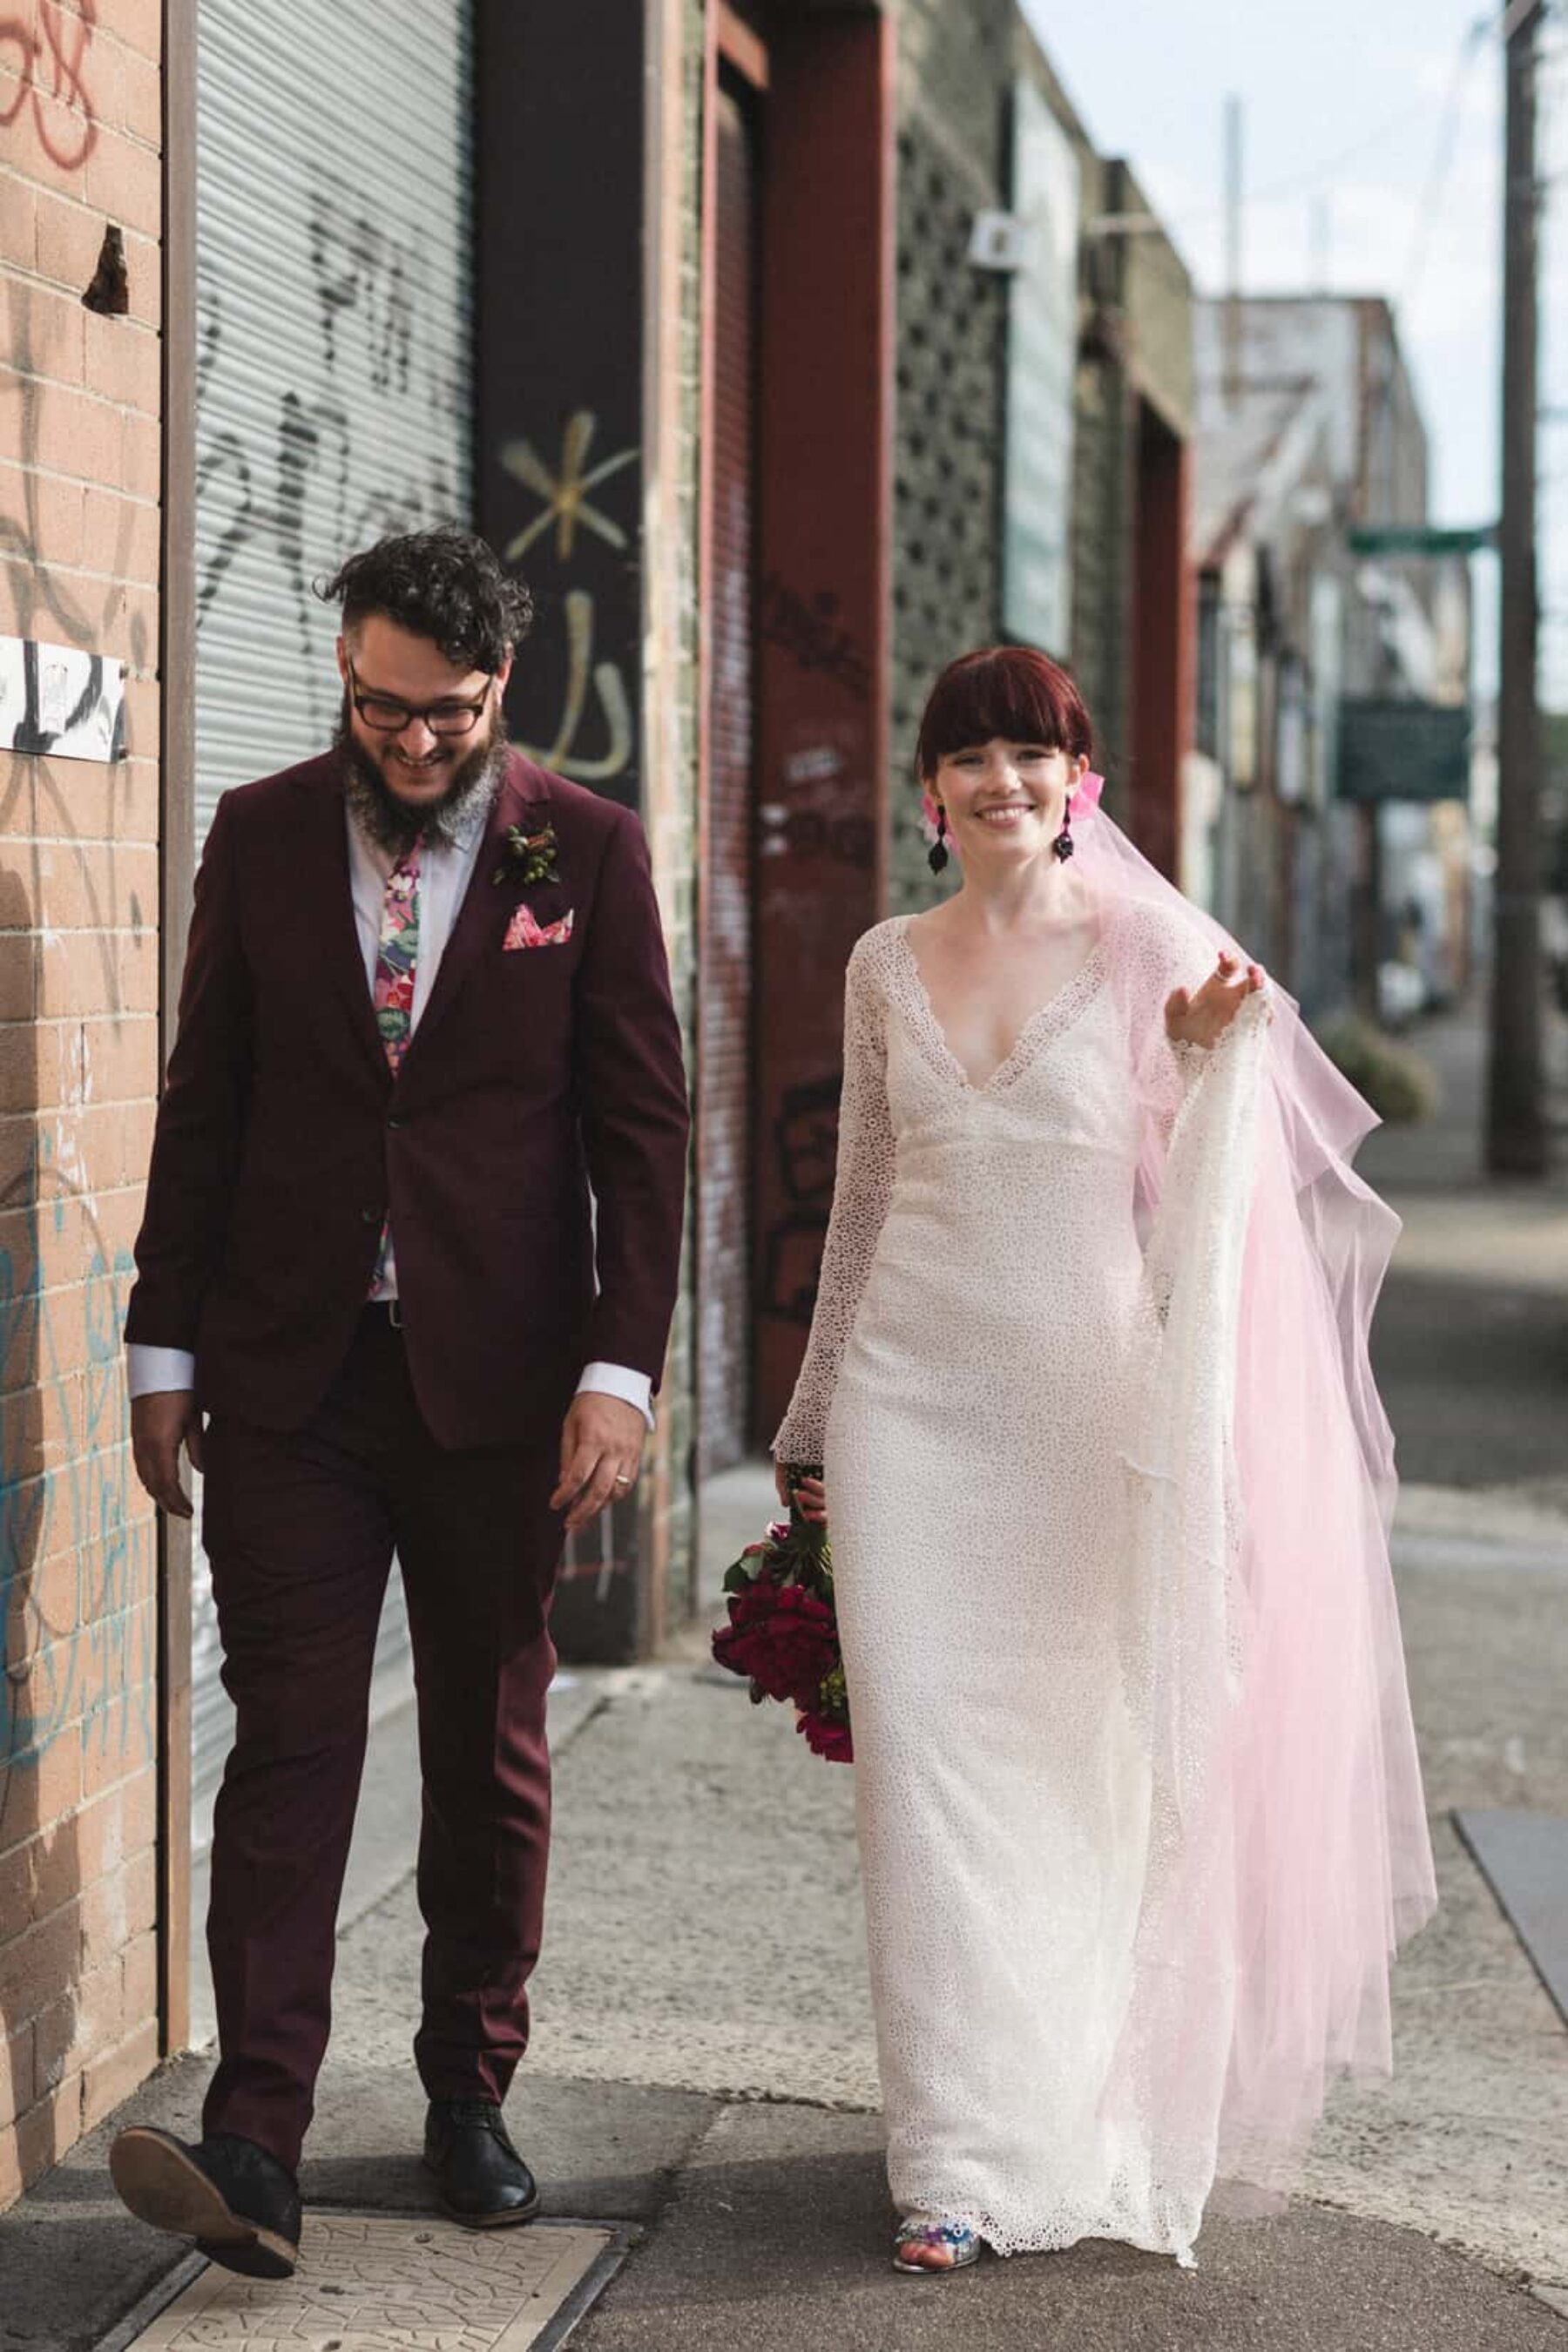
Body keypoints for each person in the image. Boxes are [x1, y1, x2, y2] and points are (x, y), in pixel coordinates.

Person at [773, 645, 1434, 2276]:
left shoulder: (1148, 946)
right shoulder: (877, 964)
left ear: (1078, 783)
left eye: (1033, 753)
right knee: (925, 1800)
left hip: (1081, 1413)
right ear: (932, 794)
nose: (1002, 780)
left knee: (1074, 1786)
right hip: (908, 1414)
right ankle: (947, 2162)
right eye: (970, 758)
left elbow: (1223, 1168)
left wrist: (1218, 1060)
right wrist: (806, 1423)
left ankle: (1064, 2117)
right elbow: (859, 1202)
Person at [109, 527, 689, 2278]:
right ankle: (256, 2135)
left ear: (497, 689)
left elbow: (641, 1132)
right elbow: (205, 1099)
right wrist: (164, 1348)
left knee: (489, 1750)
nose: (410, 740)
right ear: (345, 673)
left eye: (444, 715)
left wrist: (617, 1369)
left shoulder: (580, 849)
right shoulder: (262, 831)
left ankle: (466, 2091)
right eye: (381, 705)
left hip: (503, 1389)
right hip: (291, 1372)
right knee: (290, 1737)